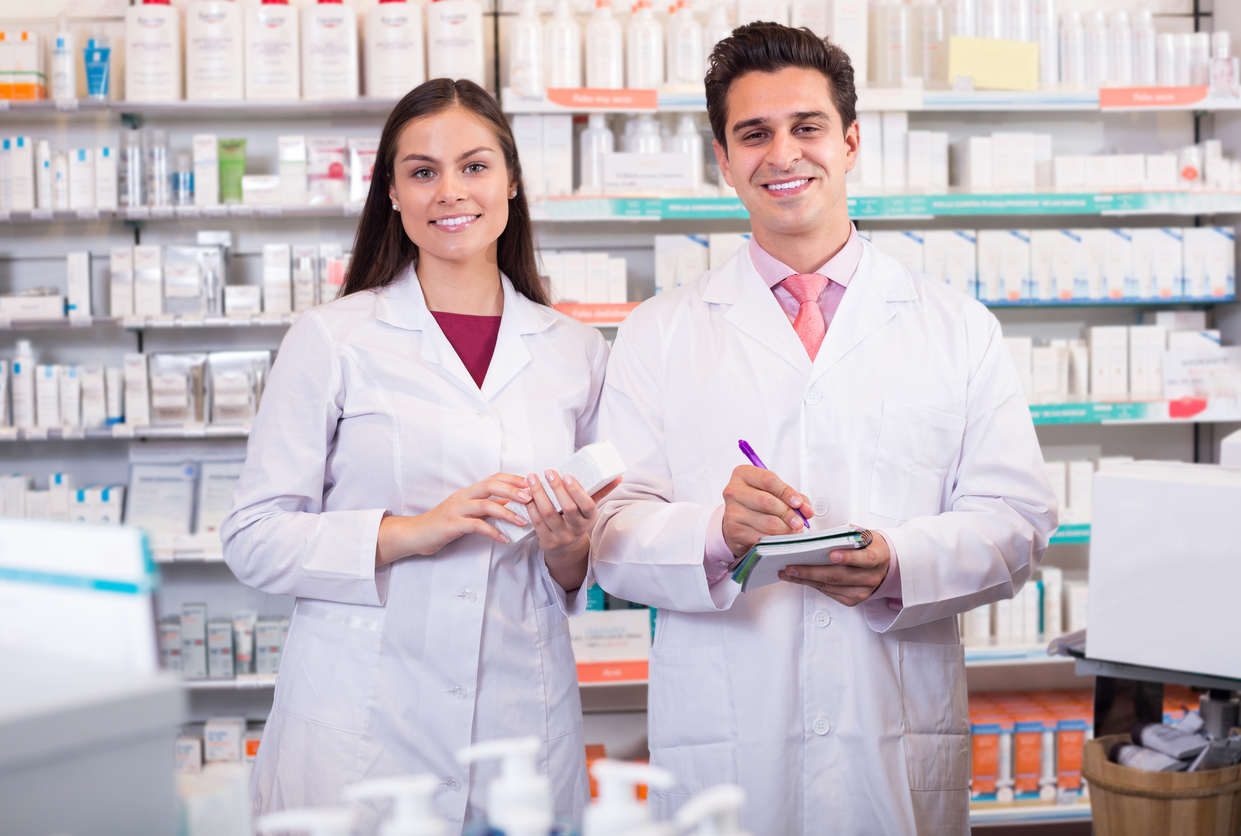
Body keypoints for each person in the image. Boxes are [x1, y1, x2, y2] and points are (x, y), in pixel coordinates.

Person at [590, 23, 1057, 836]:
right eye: (754, 134)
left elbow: (1016, 525)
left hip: (892, 719)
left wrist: (897, 563)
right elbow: (612, 533)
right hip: (727, 733)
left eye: (806, 127)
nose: (784, 154)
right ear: (722, 158)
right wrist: (716, 533)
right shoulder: (658, 332)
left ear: (849, 143)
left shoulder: (955, 326)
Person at [222, 78, 615, 831]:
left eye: (473, 167)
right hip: (361, 726)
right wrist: (410, 530)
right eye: (422, 172)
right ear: (393, 194)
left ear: (511, 181)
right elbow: (252, 538)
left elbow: (576, 566)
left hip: (516, 724)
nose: (450, 192)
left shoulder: (575, 351)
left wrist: (571, 549)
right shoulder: (334, 338)